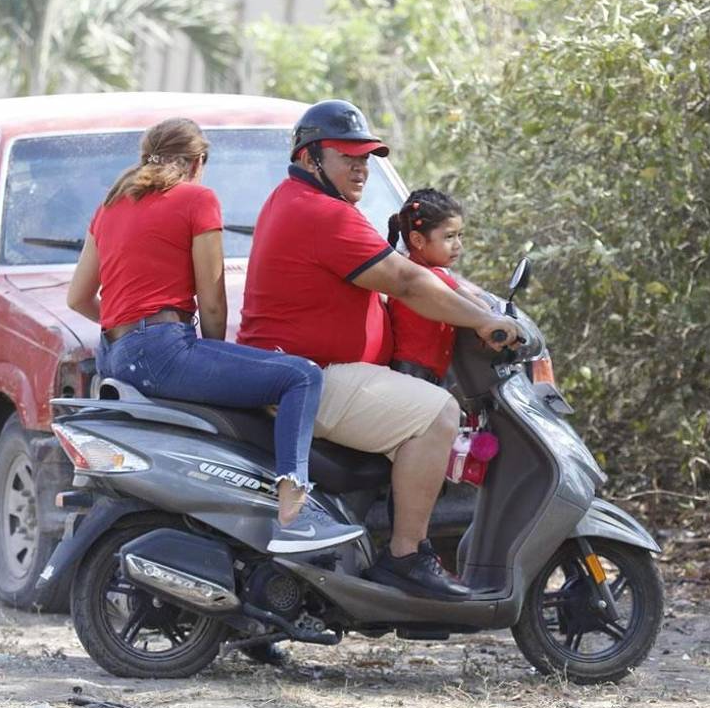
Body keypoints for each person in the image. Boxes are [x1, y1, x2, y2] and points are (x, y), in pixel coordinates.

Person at [238, 100, 521, 598]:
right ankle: (406, 557)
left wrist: (472, 300)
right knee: (437, 414)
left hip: (308, 372)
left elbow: (414, 274)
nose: (361, 166)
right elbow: (408, 282)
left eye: (366, 157)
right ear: (310, 159)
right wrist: (483, 321)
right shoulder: (320, 212)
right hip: (314, 376)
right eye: (347, 156)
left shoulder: (304, 203)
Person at [67, 117, 362, 554]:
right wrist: (210, 348)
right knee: (300, 377)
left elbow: (78, 298)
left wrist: (129, 324)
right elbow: (212, 302)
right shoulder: (197, 198)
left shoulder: (111, 205)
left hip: (114, 353)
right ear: (198, 161)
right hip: (163, 350)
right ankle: (294, 516)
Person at [385, 188, 489, 385]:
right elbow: (480, 308)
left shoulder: (407, 271)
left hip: (407, 370)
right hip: (416, 375)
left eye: (460, 235)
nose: (458, 245)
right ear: (418, 240)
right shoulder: (431, 277)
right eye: (449, 237)